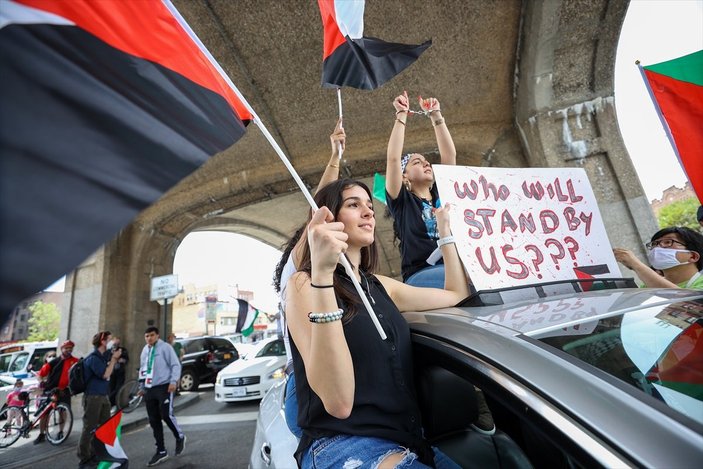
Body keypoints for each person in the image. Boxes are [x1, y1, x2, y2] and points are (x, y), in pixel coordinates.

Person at [284, 178, 470, 467]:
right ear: (329, 217)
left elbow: (456, 294)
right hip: (346, 445)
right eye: (353, 205)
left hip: (411, 441)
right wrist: (322, 275)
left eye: (369, 205)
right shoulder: (304, 284)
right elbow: (339, 404)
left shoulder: (381, 285)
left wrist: (445, 233)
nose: (369, 212)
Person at [273, 118, 346, 439]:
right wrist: (334, 160)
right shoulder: (297, 274)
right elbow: (317, 212)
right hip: (305, 392)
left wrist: (337, 155)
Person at [385, 92, 456, 288]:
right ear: (403, 176)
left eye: (427, 162)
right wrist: (401, 114)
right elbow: (393, 159)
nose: (426, 164)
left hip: (454, 268)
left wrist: (436, 115)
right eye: (417, 162)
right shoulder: (402, 203)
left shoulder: (441, 196)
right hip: (422, 274)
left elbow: (449, 155)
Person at [139, 326, 185, 466]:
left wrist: (173, 381)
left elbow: (175, 365)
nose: (149, 338)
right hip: (149, 389)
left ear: (157, 336)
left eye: (152, 335)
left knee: (166, 414)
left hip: (164, 386)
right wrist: (142, 386)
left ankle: (179, 437)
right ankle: (161, 450)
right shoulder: (145, 350)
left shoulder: (165, 348)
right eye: (147, 336)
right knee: (153, 419)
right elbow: (143, 368)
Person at [78, 331, 122, 469]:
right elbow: (105, 374)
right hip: (93, 397)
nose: (112, 341)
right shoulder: (93, 358)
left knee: (105, 426)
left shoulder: (103, 357)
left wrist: (113, 357)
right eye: (109, 339)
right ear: (102, 342)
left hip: (103, 396)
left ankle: (98, 453)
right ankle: (84, 458)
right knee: (89, 427)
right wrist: (114, 359)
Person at [614, 226, 703, 289]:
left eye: (668, 242)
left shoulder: (700, 283)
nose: (656, 248)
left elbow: (688, 303)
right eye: (654, 244)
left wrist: (636, 265)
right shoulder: (647, 286)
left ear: (693, 256)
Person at [34, 340, 78, 445]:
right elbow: (40, 374)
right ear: (62, 349)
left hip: (65, 390)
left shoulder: (75, 361)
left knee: (63, 412)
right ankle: (41, 434)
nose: (68, 350)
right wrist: (42, 382)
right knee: (45, 413)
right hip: (50, 390)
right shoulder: (54, 362)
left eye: (70, 348)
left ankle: (61, 432)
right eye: (66, 348)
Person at [108, 336, 129, 408]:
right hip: (111, 372)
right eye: (115, 339)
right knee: (111, 388)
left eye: (118, 339)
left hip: (120, 372)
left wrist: (122, 360)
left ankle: (111, 402)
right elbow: (106, 360)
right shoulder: (109, 350)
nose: (117, 341)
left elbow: (126, 359)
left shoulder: (122, 350)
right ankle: (111, 404)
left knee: (118, 388)